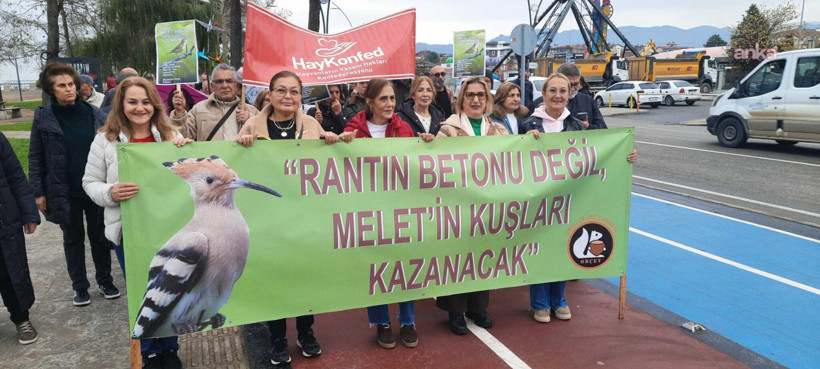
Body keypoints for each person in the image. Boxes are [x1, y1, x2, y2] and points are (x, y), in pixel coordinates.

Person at [236, 70, 348, 368]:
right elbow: (232, 163)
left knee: (304, 276)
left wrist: (332, 141)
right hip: (268, 219)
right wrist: (240, 144)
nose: (288, 97)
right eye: (281, 91)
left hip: (305, 219)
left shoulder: (312, 125)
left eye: (294, 92)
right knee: (275, 279)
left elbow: (328, 164)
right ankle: (276, 338)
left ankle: (305, 331)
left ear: (301, 96)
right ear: (269, 94)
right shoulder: (251, 125)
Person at [83, 77, 192, 369]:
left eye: (145, 101)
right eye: (132, 101)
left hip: (168, 229)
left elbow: (188, 176)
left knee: (170, 289)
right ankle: (149, 351)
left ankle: (169, 347)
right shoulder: (104, 139)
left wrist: (185, 151)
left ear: (154, 104)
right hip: (128, 231)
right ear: (121, 104)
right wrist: (110, 192)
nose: (139, 108)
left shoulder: (171, 136)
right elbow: (89, 182)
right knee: (143, 292)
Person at [519, 73, 636, 324]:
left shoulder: (575, 125)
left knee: (563, 247)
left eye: (563, 91)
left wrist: (625, 154)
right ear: (544, 93)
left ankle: (559, 300)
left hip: (570, 198)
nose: (558, 96)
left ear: (570, 94)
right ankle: (539, 303)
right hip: (538, 200)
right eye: (552, 91)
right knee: (540, 249)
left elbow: (601, 150)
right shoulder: (528, 124)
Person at [342, 78, 432, 348]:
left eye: (392, 98)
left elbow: (415, 161)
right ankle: (381, 321)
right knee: (377, 267)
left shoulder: (403, 128)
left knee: (405, 264)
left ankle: (407, 320)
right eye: (383, 99)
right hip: (368, 212)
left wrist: (426, 142)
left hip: (400, 210)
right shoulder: (354, 129)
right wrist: (337, 141)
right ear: (369, 102)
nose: (390, 104)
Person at [28, 63, 120, 307]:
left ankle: (105, 280)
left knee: (100, 236)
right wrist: (38, 192)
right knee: (73, 238)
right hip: (62, 189)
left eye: (71, 84)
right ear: (51, 90)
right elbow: (35, 156)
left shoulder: (94, 114)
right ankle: (80, 287)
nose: (68, 89)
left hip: (94, 187)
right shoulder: (43, 117)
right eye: (62, 86)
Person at [435, 76, 507, 335]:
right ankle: (456, 311)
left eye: (481, 95)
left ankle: (478, 308)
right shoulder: (447, 130)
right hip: (457, 206)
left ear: (487, 99)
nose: (475, 99)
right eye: (470, 95)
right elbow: (434, 166)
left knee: (483, 256)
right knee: (457, 257)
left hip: (488, 206)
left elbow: (515, 162)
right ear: (461, 100)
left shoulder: (499, 130)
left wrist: (531, 141)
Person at [0, 131, 41, 345]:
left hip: (4, 221)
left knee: (10, 272)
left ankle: (21, 317)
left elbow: (16, 176)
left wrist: (29, 213)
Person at [170, 64, 258, 141]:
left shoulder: (251, 110)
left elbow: (265, 136)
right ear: (212, 86)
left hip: (240, 160)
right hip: (209, 159)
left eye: (229, 81)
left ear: (237, 86)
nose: (224, 85)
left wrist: (250, 119)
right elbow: (184, 136)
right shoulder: (199, 109)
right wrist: (179, 112)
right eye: (219, 81)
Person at [532, 63, 606, 130]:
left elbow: (603, 129)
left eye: (576, 84)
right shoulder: (537, 105)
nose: (573, 89)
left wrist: (588, 127)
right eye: (570, 85)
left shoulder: (588, 101)